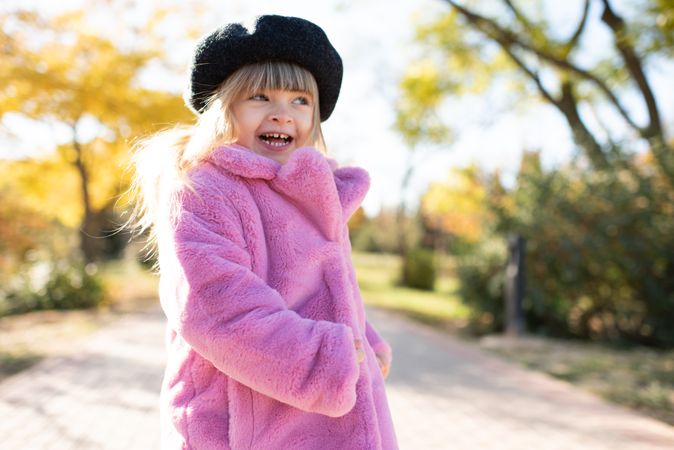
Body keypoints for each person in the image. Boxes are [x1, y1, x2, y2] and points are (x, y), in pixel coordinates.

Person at [128, 14, 398, 449]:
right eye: (259, 96)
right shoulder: (204, 190)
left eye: (300, 101)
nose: (282, 114)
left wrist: (366, 342)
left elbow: (333, 290)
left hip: (335, 420)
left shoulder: (316, 194)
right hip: (239, 426)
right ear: (224, 108)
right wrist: (328, 360)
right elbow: (216, 309)